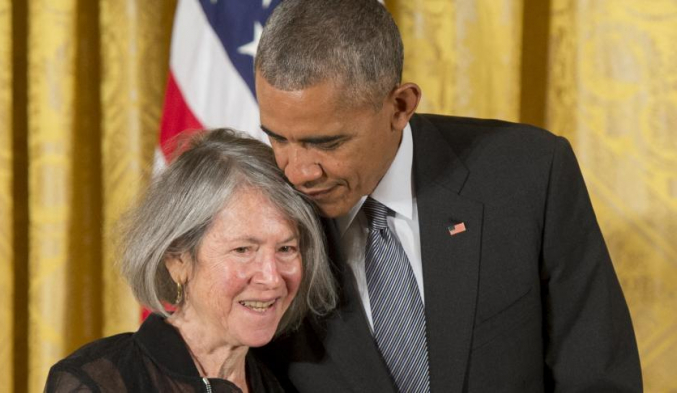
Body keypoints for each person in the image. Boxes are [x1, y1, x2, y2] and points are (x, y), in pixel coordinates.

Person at [253, 0, 642, 392]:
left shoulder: (529, 174)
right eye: (277, 137)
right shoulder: (252, 213)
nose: (298, 171)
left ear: (400, 106)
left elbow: (601, 379)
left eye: (328, 143)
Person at [45, 129, 337, 392]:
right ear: (177, 259)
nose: (272, 278)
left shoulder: (288, 384)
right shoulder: (98, 382)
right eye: (243, 250)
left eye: (286, 249)